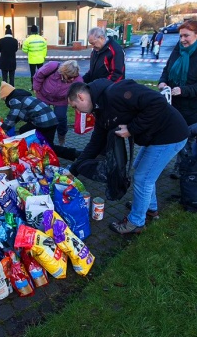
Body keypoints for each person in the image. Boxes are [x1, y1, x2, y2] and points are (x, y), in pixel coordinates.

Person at [67, 80, 189, 234]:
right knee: (142, 173)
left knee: (143, 178)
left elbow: (158, 102)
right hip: (155, 137)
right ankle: (149, 207)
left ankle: (136, 222)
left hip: (170, 134)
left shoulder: (117, 92)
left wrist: (132, 128)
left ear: (81, 97)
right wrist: (74, 170)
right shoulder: (100, 110)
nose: (77, 112)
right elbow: (95, 143)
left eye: (75, 107)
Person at [158, 20, 197, 178]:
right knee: (175, 136)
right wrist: (163, 82)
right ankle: (178, 167)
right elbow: (167, 69)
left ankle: (188, 172)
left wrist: (183, 90)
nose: (182, 39)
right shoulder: (177, 50)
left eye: (186, 36)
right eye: (180, 36)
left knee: (190, 141)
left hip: (196, 108)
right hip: (175, 105)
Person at [0, 81, 77, 160]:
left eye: (3, 99)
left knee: (25, 131)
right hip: (52, 120)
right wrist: (6, 127)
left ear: (5, 96)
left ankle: (32, 152)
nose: (4, 100)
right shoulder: (22, 96)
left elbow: (12, 116)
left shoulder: (14, 100)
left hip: (42, 122)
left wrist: (1, 130)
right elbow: (17, 117)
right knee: (48, 146)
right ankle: (75, 153)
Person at [33, 60, 83, 146]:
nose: (72, 79)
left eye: (73, 77)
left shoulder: (78, 80)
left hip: (61, 100)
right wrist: (36, 88)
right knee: (40, 116)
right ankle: (38, 137)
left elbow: (79, 93)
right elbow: (39, 75)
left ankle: (61, 138)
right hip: (43, 95)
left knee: (61, 118)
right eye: (70, 77)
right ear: (63, 72)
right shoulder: (52, 66)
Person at [22, 25, 47, 90]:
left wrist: (28, 51)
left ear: (31, 31)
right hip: (40, 59)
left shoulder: (28, 39)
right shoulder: (42, 39)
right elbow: (45, 48)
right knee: (41, 74)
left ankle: (33, 87)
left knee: (33, 74)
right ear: (37, 31)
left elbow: (24, 49)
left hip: (32, 60)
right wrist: (43, 56)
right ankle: (41, 87)